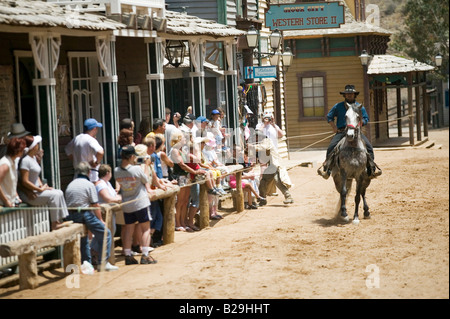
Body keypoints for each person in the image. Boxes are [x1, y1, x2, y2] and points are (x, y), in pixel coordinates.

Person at [318, 84, 381, 179]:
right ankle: (327, 170)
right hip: (342, 131)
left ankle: (371, 169)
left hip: (356, 132)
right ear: (344, 95)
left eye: (351, 94)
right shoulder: (338, 106)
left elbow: (366, 119)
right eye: (347, 94)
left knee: (368, 147)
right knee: (331, 147)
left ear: (355, 95)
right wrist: (334, 127)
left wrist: (360, 123)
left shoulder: (359, 107)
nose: (349, 95)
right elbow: (329, 117)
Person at [64, 161, 118, 271]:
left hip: (70, 215)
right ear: (88, 172)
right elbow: (95, 205)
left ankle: (87, 263)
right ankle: (103, 262)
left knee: (84, 239)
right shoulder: (89, 185)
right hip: (84, 213)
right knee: (105, 233)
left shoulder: (70, 184)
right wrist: (101, 219)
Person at [114, 145, 157, 265]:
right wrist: (147, 165)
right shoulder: (137, 169)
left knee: (128, 229)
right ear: (132, 156)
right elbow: (145, 180)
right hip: (140, 202)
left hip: (127, 204)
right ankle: (145, 255)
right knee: (145, 229)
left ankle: (128, 255)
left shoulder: (116, 171)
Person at [18, 135, 69, 230]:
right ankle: (55, 223)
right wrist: (39, 189)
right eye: (37, 144)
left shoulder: (33, 158)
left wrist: (42, 185)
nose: (38, 145)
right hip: (30, 194)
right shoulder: (25, 161)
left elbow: (36, 175)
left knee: (59, 192)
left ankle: (62, 219)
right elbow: (25, 181)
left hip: (37, 190)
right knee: (54, 196)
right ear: (33, 146)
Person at [168, 130, 206, 231]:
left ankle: (184, 222)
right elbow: (182, 165)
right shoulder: (175, 150)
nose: (185, 139)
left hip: (186, 177)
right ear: (178, 139)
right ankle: (178, 223)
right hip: (180, 177)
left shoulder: (182, 150)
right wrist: (195, 172)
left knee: (185, 201)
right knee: (180, 202)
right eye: (183, 138)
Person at [250, 130, 294, 205]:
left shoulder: (267, 141)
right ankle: (262, 199)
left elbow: (263, 147)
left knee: (277, 180)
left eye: (256, 137)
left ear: (259, 136)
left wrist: (252, 146)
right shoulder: (261, 143)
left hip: (276, 164)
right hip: (271, 166)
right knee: (263, 181)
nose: (255, 138)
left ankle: (288, 197)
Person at [65, 118, 104, 182]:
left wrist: (75, 159)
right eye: (97, 128)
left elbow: (67, 150)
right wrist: (96, 163)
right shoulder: (90, 139)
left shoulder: (77, 138)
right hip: (91, 174)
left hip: (77, 174)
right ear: (94, 129)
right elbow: (100, 152)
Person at [95, 164, 122, 241]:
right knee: (106, 234)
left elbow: (114, 196)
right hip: (103, 214)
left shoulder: (107, 183)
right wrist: (121, 199)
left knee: (111, 231)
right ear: (107, 173)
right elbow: (108, 199)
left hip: (110, 213)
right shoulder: (101, 184)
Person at [0, 138, 26, 207]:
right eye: (22, 150)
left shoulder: (13, 162)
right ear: (17, 151)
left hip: (11, 204)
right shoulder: (5, 164)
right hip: (3, 205)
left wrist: (16, 197)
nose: (23, 152)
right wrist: (6, 201)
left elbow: (12, 184)